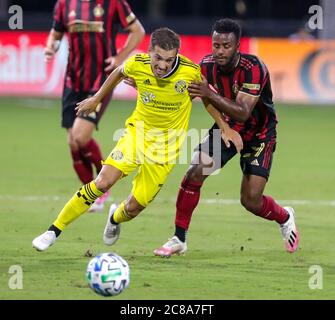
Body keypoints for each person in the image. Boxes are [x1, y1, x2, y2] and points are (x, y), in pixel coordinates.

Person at [32, 27, 243, 252]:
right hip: (137, 135)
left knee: (133, 208)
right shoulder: (138, 64)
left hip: (166, 150)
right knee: (102, 182)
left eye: (169, 60)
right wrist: (96, 99)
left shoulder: (190, 72)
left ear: (177, 56)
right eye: (158, 58)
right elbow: (118, 72)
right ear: (149, 51)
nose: (162, 65)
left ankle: (114, 217)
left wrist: (224, 127)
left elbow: (207, 98)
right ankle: (53, 230)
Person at [153, 18, 300, 257]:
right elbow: (192, 94)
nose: (220, 51)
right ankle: (179, 239)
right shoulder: (206, 66)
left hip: (260, 134)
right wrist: (144, 85)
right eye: (216, 45)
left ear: (237, 46)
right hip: (227, 127)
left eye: (226, 46)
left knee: (251, 200)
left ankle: (285, 217)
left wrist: (208, 93)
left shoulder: (254, 68)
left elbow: (243, 112)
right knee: (195, 172)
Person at [46, 0, 145, 211]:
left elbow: (138, 31)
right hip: (73, 81)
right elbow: (55, 34)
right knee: (73, 143)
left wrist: (120, 57)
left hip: (100, 80)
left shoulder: (114, 3)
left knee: (81, 137)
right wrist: (50, 47)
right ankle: (90, 194)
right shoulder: (64, 4)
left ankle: (101, 188)